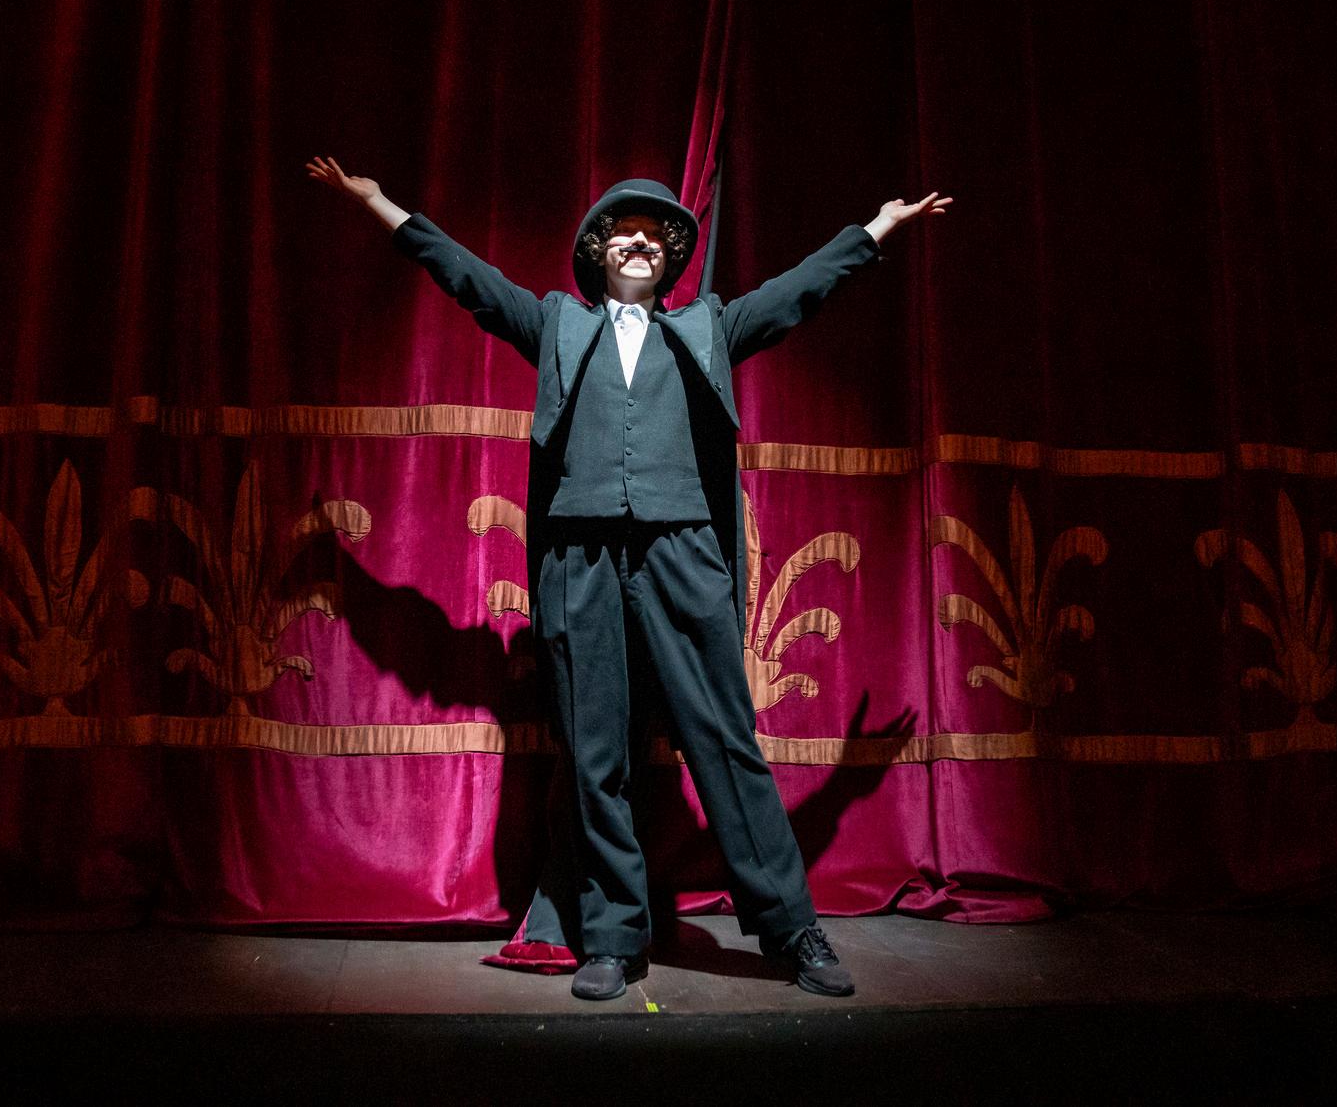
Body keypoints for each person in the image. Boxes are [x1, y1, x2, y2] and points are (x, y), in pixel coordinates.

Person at [307, 155, 948, 998]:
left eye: (655, 235)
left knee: (724, 741)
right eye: (624, 232)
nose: (640, 242)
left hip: (682, 550)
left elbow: (799, 291)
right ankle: (612, 936)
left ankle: (790, 930)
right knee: (594, 752)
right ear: (599, 251)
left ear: (670, 258)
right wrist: (380, 204)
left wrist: (876, 229)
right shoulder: (555, 325)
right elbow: (466, 279)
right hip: (580, 558)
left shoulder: (709, 328)